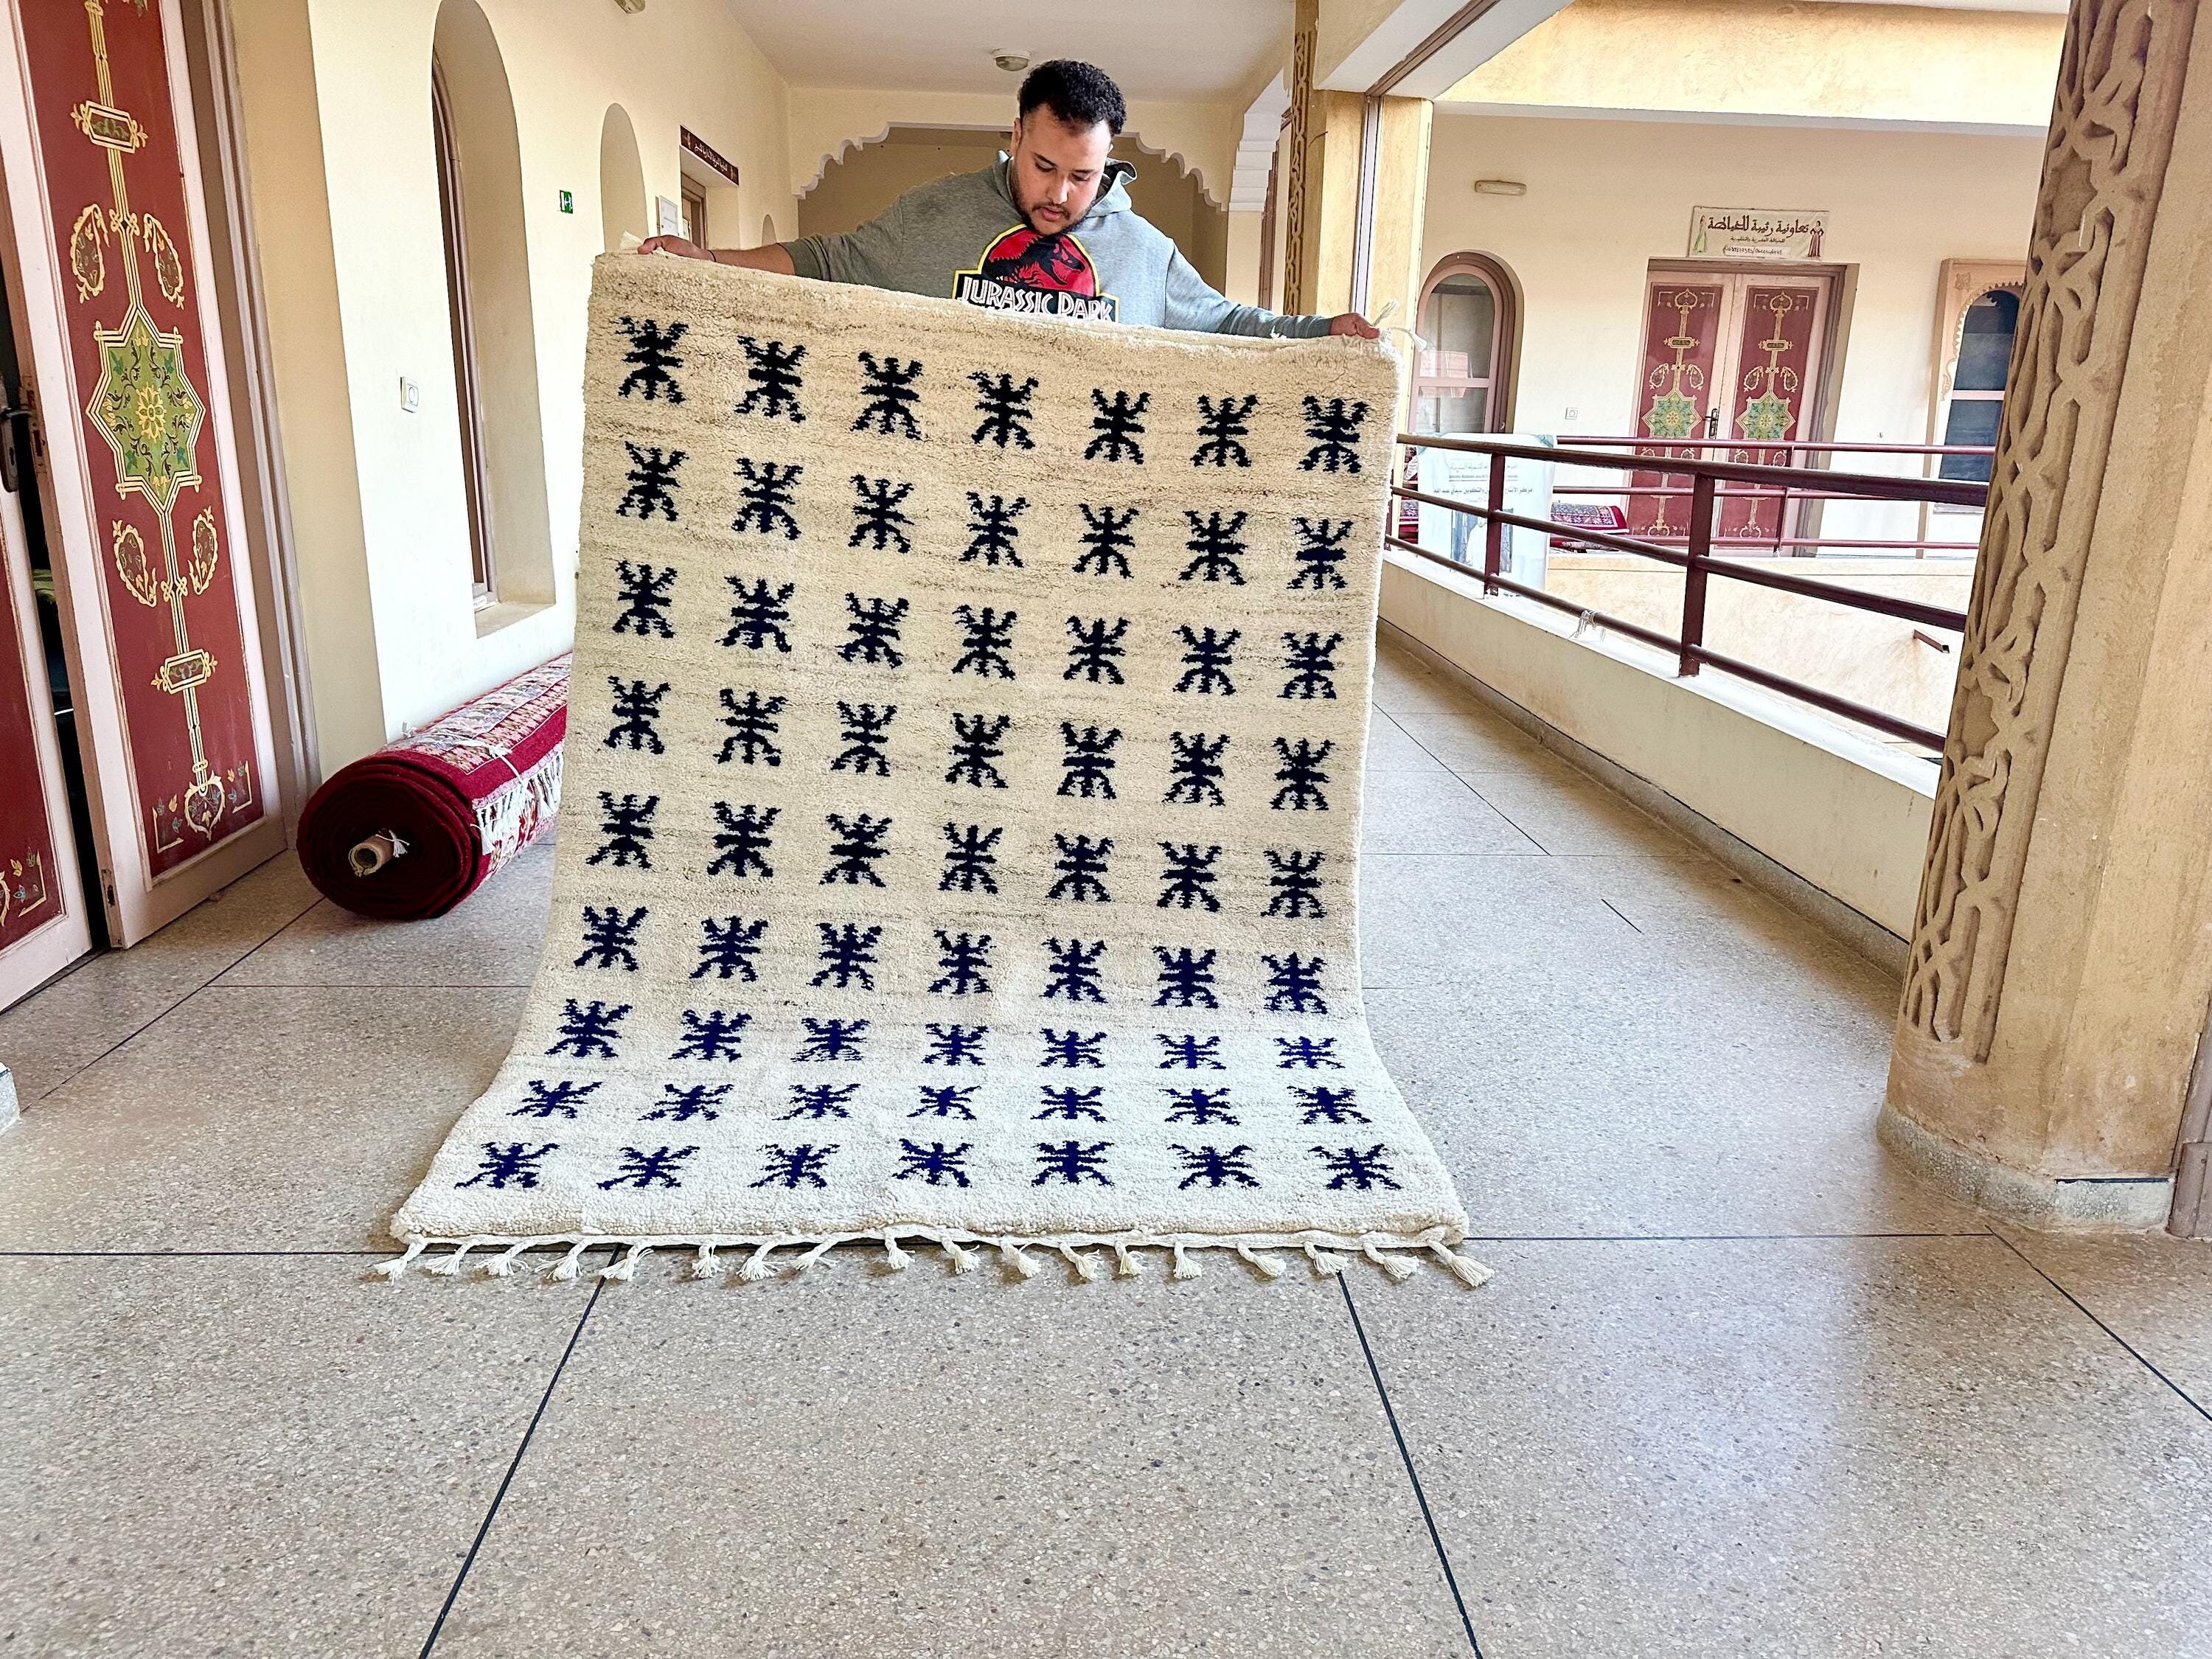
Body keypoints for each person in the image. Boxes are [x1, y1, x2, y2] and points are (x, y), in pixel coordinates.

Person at [641, 59, 1377, 341]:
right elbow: (827, 260)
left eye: (1082, 176)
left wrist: (1323, 331)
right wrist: (710, 261)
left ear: (1109, 161)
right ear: (1016, 135)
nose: (1060, 193)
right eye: (1044, 166)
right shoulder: (934, 215)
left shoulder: (1146, 253)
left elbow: (1229, 322)